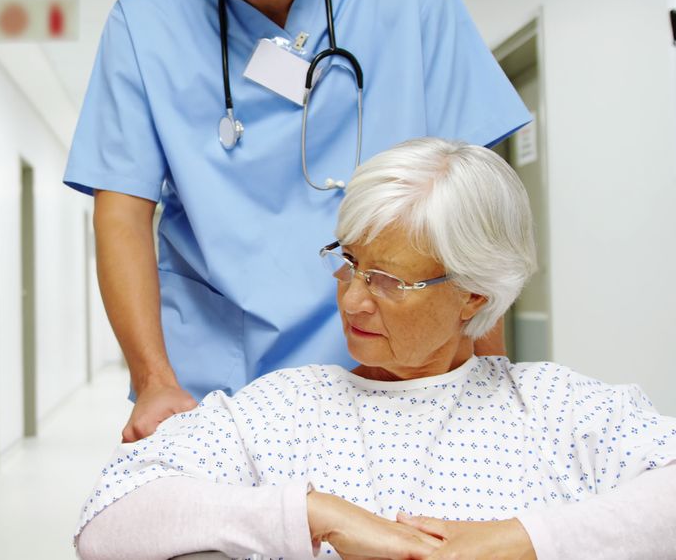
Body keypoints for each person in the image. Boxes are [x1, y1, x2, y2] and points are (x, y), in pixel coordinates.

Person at [74, 139, 676, 559]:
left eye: (389, 280)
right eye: (350, 264)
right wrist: (316, 516)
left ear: (473, 295)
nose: (355, 300)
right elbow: (109, 518)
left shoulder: (554, 406)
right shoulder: (286, 409)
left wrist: (521, 540)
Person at [64, 0, 532, 443]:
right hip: (218, 388)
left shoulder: (411, 0)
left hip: (401, 372)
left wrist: (488, 386)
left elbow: (472, 211)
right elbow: (121, 216)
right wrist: (153, 380)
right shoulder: (146, 20)